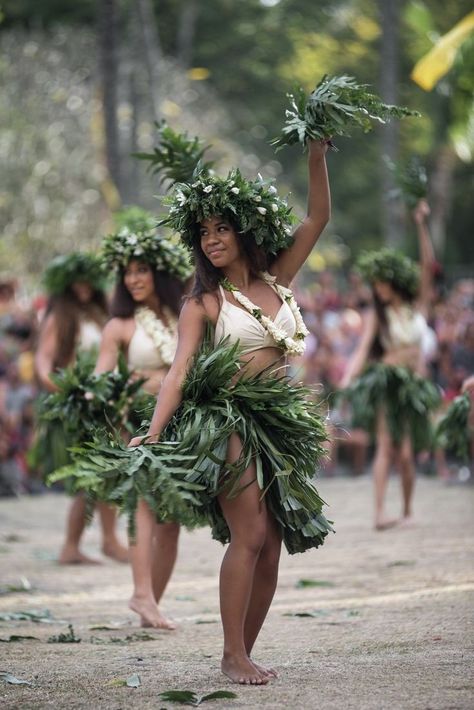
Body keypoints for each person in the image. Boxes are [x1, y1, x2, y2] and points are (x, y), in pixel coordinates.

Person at [124, 139, 332, 684]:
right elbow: (178, 371)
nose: (211, 240)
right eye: (203, 232)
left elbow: (317, 217)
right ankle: (230, 653)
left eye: (221, 228)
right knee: (251, 535)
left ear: (243, 231)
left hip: (276, 426)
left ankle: (242, 650)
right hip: (227, 422)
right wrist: (153, 433)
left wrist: (316, 156)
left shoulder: (277, 280)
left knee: (272, 548)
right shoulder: (203, 303)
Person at [93, 209, 192, 629]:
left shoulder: (181, 315)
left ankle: (151, 602)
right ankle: (139, 593)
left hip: (177, 426)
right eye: (127, 273)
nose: (133, 279)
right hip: (135, 425)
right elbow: (101, 379)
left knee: (170, 525)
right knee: (144, 508)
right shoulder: (119, 325)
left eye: (142, 271)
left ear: (159, 274)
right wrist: (128, 384)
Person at [340, 200, 440, 530]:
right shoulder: (374, 315)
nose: (377, 289)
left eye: (382, 283)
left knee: (407, 452)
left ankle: (408, 510)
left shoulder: (417, 307)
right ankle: (380, 512)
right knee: (384, 446)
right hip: (386, 381)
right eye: (375, 284)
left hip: (413, 384)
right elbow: (362, 350)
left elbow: (428, 266)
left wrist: (420, 225)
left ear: (395, 282)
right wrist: (347, 378)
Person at [35, 252, 128, 564]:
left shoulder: (101, 314)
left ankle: (100, 541)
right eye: (77, 280)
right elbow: (43, 365)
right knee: (91, 474)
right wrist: (69, 391)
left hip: (104, 403)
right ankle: (81, 545)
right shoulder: (59, 317)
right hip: (79, 405)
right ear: (66, 283)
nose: (84, 286)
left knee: (106, 471)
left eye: (88, 280)